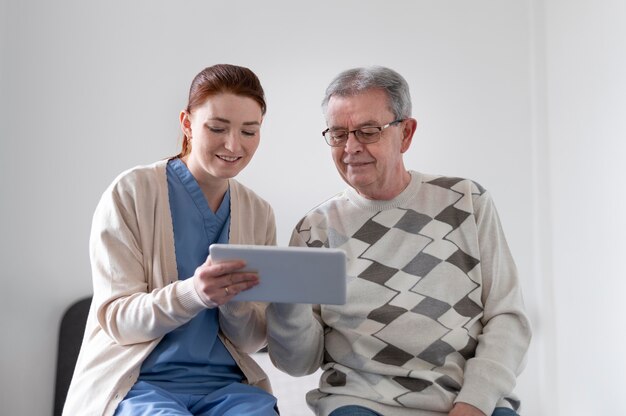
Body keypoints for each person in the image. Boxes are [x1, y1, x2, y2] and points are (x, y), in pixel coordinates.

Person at [266, 66, 532, 416]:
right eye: (337, 133)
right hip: (360, 403)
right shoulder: (313, 230)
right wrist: (287, 307)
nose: (351, 147)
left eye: (368, 131)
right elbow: (300, 364)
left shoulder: (466, 201)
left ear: (406, 133)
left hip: (466, 400)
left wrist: (474, 403)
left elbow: (507, 318)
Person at [64, 64, 280, 416]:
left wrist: (234, 301)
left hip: (226, 388)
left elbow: (251, 340)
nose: (233, 144)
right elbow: (118, 319)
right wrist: (195, 293)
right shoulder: (131, 192)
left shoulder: (259, 213)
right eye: (217, 128)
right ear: (187, 124)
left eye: (249, 131)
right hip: (138, 384)